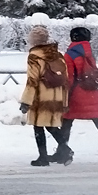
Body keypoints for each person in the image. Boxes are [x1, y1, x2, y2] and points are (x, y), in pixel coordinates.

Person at [59, 26, 98, 167]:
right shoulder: (88, 53)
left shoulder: (70, 54)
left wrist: (65, 95)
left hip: (76, 93)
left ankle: (63, 152)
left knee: (66, 121)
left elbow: (69, 78)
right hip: (91, 92)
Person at [19, 25, 69, 167]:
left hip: (41, 96)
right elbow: (66, 79)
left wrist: (26, 101)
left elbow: (32, 80)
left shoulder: (34, 56)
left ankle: (43, 157)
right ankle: (65, 149)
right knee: (51, 126)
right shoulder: (57, 55)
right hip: (57, 95)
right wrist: (65, 102)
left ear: (33, 40)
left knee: (38, 126)